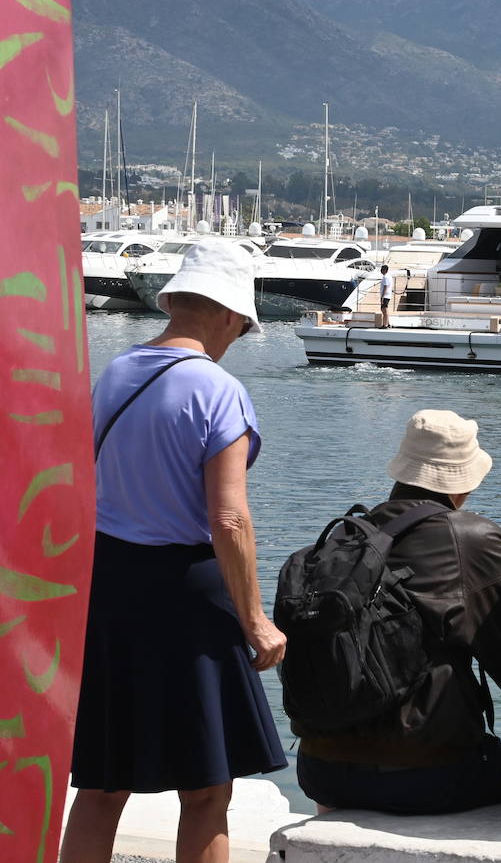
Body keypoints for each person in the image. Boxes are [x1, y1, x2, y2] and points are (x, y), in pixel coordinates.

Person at [62, 238, 288, 863]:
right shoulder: (218, 391)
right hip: (187, 597)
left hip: (108, 586)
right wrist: (256, 620)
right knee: (207, 789)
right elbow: (229, 517)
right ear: (228, 313)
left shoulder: (114, 374)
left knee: (103, 783)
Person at [292, 410, 501, 815]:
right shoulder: (470, 538)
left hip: (320, 770)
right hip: (429, 775)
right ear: (465, 482)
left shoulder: (348, 537)